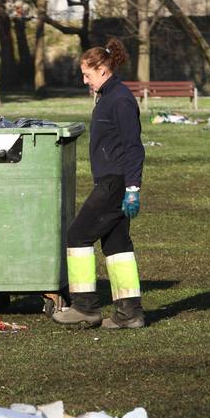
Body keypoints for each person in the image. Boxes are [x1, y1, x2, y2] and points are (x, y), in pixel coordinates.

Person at [53, 38, 145, 330]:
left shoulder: (120, 100)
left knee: (77, 235)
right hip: (114, 180)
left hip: (115, 182)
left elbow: (134, 146)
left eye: (87, 74)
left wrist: (132, 188)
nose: (85, 80)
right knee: (117, 246)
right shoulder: (108, 96)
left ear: (103, 69)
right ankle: (129, 313)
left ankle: (84, 307)